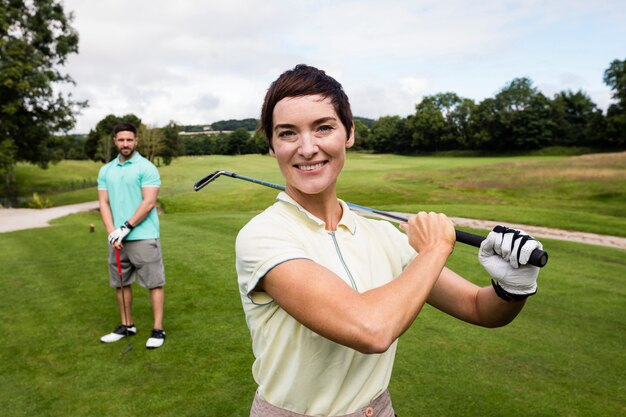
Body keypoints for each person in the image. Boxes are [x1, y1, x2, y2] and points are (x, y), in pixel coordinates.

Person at [235, 64, 543, 416]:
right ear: (272, 147)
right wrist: (436, 247)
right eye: (288, 133)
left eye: (323, 128)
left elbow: (478, 307)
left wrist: (513, 287)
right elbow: (371, 330)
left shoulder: (382, 234)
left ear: (348, 133)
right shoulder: (262, 236)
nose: (307, 148)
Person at [97, 122, 166, 349]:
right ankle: (127, 325)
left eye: (129, 140)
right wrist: (111, 233)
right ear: (115, 141)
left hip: (143, 236)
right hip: (117, 239)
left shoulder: (146, 168)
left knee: (154, 283)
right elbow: (104, 203)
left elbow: (149, 202)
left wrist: (125, 227)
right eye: (121, 140)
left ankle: (158, 330)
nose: (125, 144)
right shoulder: (106, 170)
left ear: (136, 141)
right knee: (121, 282)